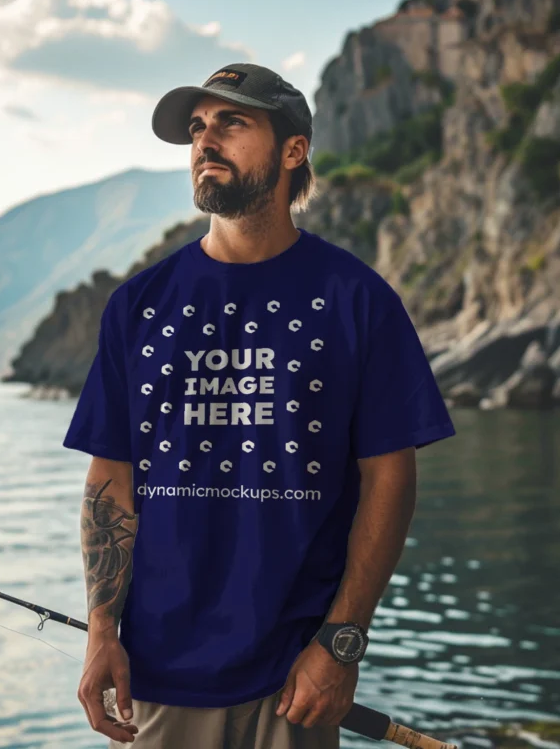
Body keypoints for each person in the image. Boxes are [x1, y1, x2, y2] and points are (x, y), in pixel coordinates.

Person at [62, 62, 457, 748]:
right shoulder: (139, 306)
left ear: (292, 150)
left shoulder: (358, 300)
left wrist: (341, 643)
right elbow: (111, 482)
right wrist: (102, 634)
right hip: (163, 676)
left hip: (297, 678)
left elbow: (389, 479)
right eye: (197, 128)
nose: (205, 142)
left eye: (231, 123)